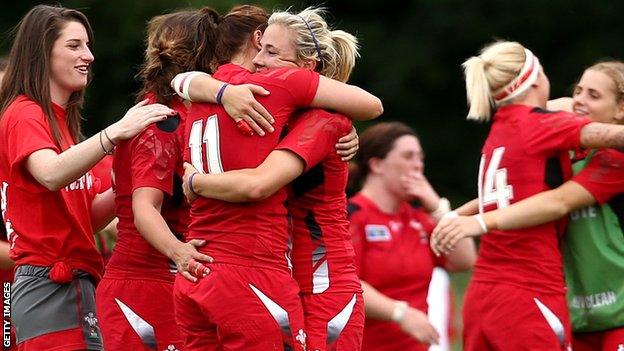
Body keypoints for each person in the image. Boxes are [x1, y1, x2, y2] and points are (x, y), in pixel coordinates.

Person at [171, 5, 382, 350]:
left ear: (307, 68)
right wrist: (220, 90)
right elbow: (183, 81)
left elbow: (258, 183)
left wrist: (195, 183)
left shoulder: (325, 119)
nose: (258, 62)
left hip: (322, 284)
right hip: (277, 273)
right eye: (260, 49)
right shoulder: (279, 110)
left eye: (271, 52)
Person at [0, 5, 175, 350]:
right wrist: (115, 133)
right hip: (47, 284)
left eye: (88, 45)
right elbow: (50, 173)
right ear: (41, 52)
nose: (89, 56)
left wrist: (135, 181)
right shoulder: (24, 112)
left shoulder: (61, 122)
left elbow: (89, 219)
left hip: (74, 283)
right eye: (75, 45)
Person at [431, 41, 624, 351]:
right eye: (578, 91)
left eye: (593, 94)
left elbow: (543, 196)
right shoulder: (544, 127)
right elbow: (545, 198)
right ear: (536, 80)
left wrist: (466, 217)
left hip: (490, 293)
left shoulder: (505, 126)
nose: (578, 100)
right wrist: (472, 219)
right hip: (531, 293)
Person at [344, 121, 475, 351]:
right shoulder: (352, 215)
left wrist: (437, 206)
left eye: (420, 158)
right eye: (408, 156)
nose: (417, 165)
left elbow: (464, 260)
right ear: (377, 165)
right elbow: (344, 283)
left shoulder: (417, 218)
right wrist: (398, 313)